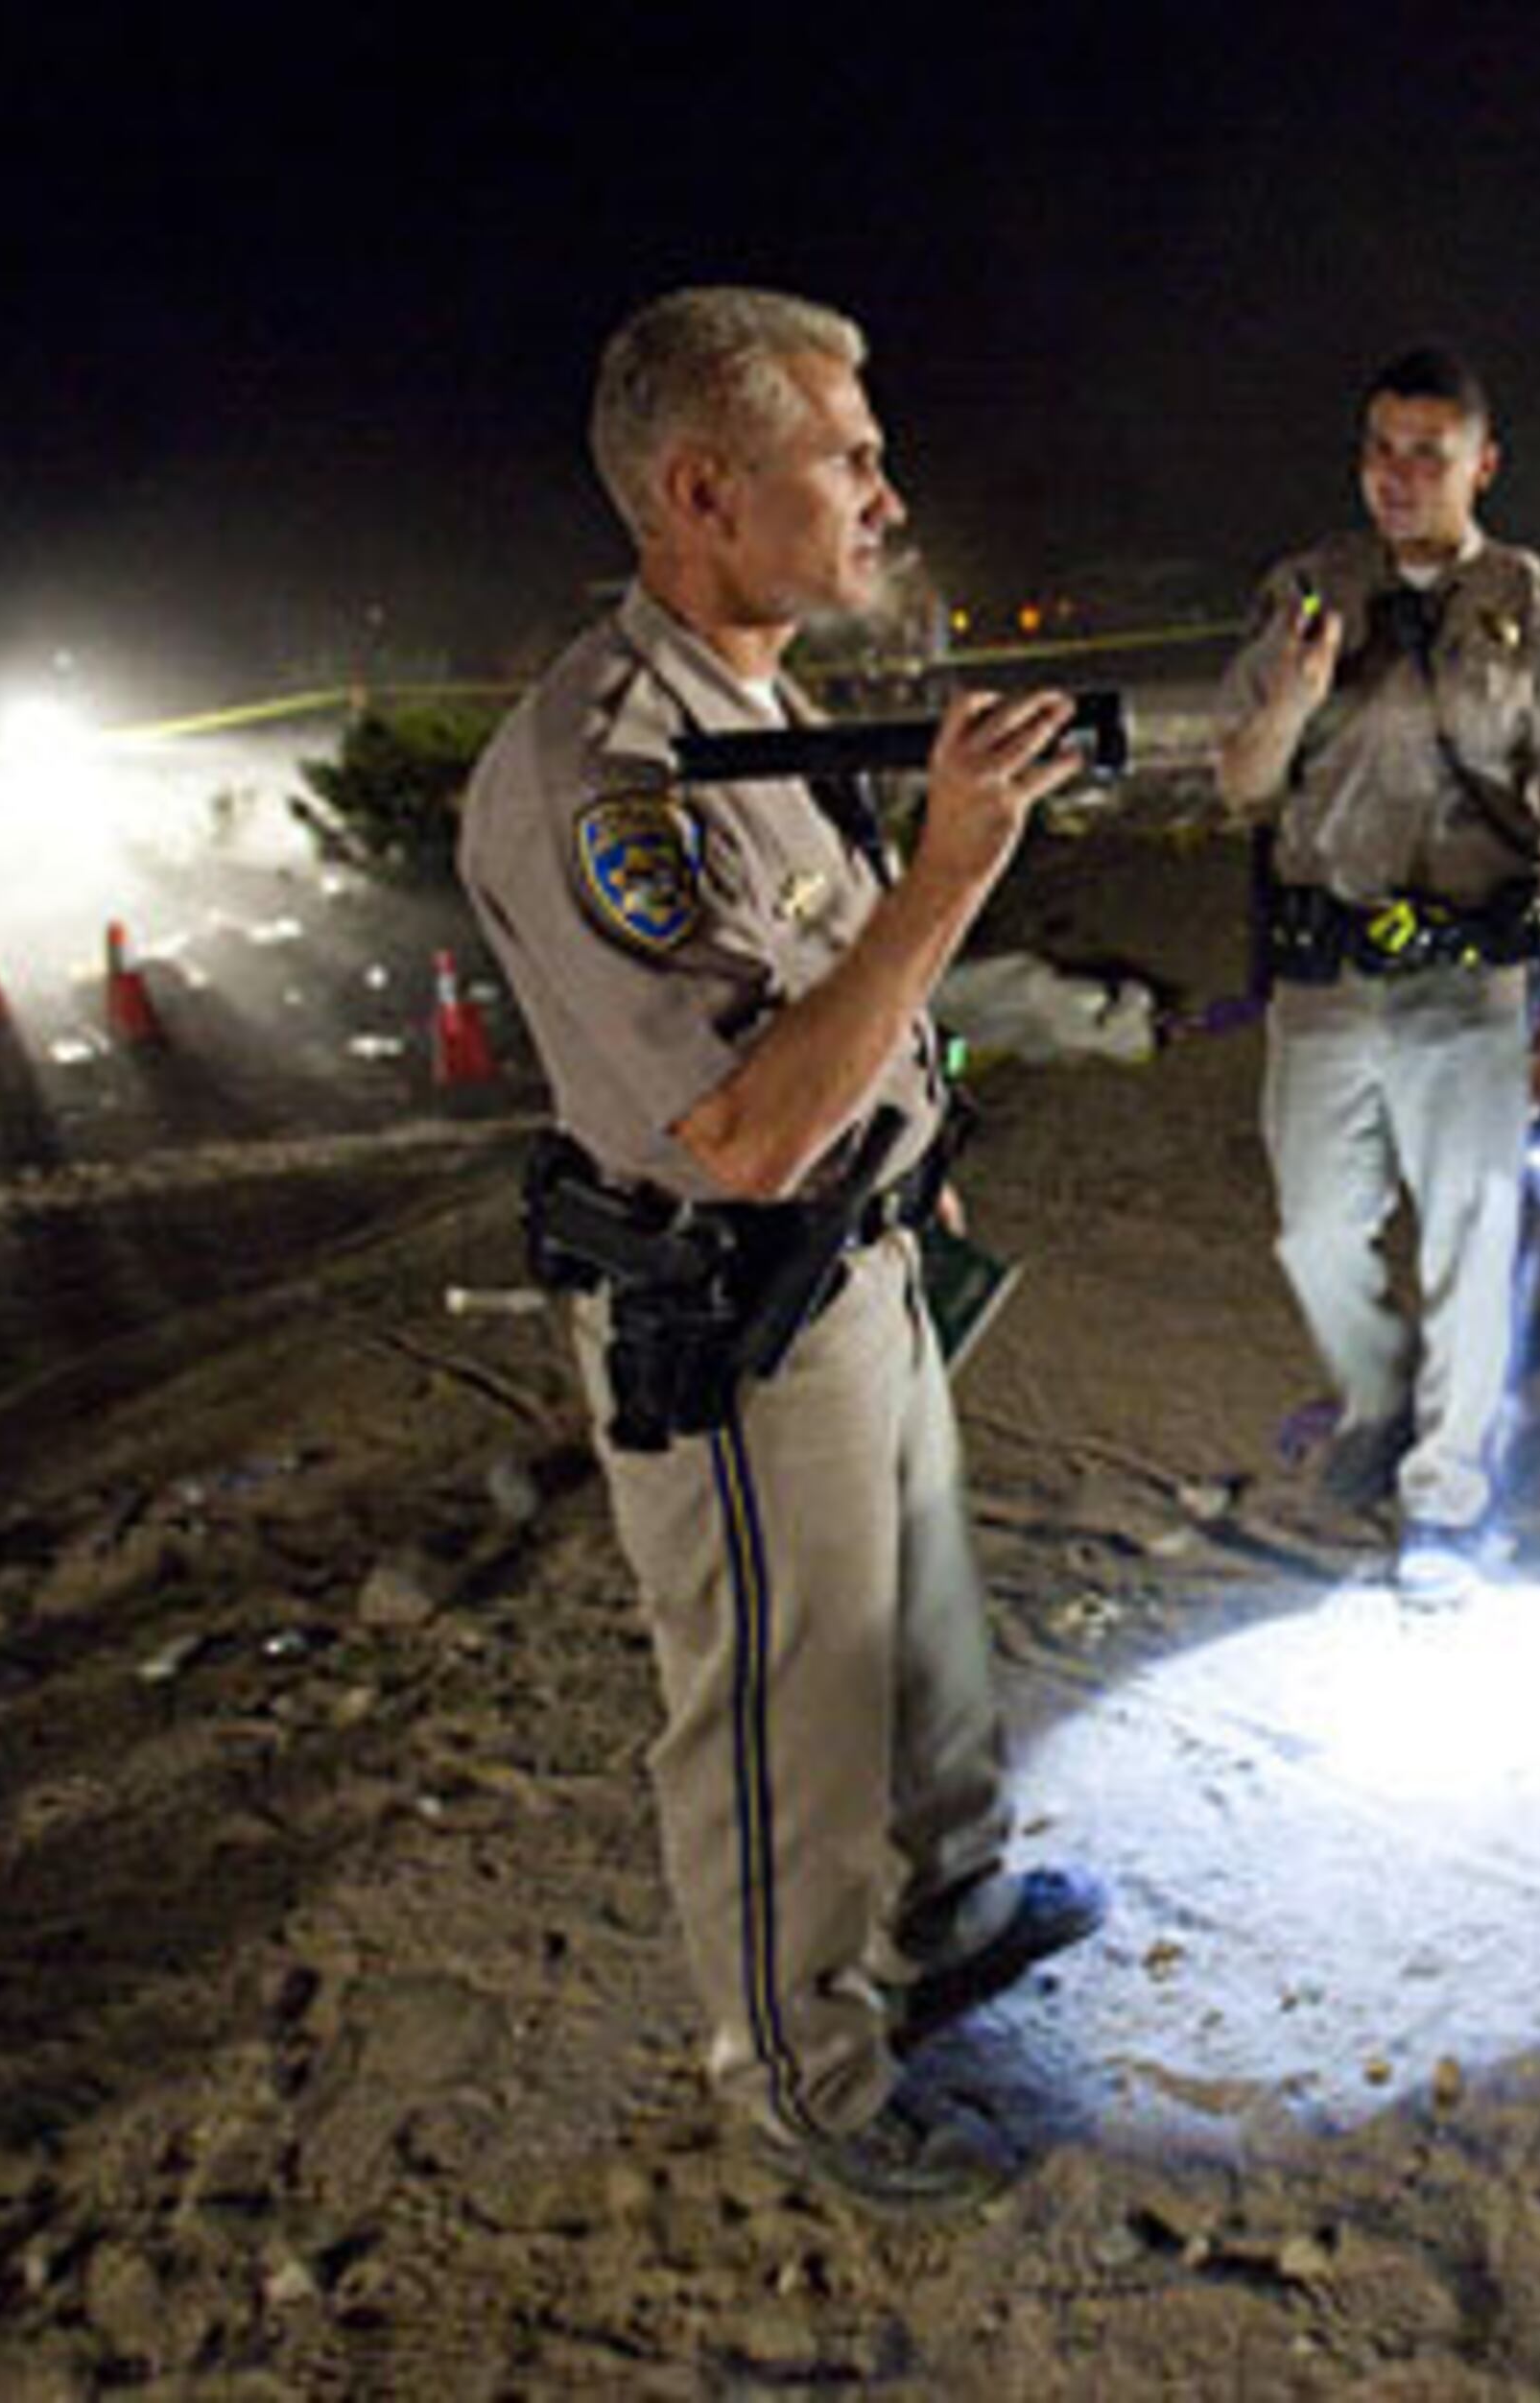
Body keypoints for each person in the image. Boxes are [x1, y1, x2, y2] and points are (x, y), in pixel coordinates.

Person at [455, 287, 1105, 2212]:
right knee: (783, 1702)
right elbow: (732, 1126)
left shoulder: (757, 696)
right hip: (734, 1302)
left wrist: (918, 1158)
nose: (886, 493)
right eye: (848, 456)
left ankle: (952, 1910)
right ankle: (809, 2076)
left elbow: (833, 996)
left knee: (918, 1630)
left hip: (861, 1249)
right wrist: (954, 873)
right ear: (704, 489)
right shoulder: (610, 770)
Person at [1213, 346, 1540, 1596]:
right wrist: (1290, 701)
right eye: (1380, 451)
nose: (1396, 478)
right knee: (1315, 1233)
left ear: (1481, 465)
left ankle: (1446, 1497)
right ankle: (1381, 1392)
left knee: (1470, 1238)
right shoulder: (1303, 592)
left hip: (1473, 984)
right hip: (1326, 984)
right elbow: (1240, 781)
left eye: (1426, 455)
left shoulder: (1536, 605)